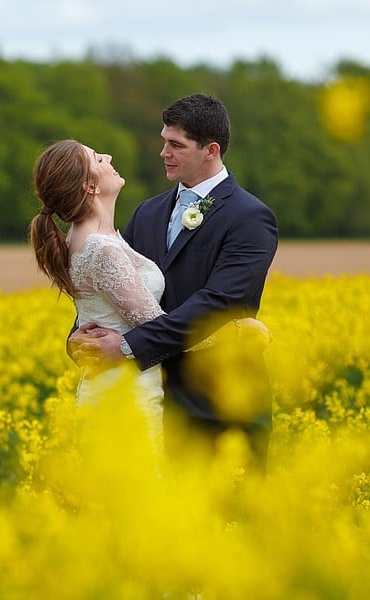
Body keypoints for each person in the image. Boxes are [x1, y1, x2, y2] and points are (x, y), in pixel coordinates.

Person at [68, 93, 278, 470]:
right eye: (164, 140)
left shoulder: (251, 218)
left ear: (210, 150)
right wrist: (81, 336)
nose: (163, 152)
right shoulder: (148, 212)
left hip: (217, 406)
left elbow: (217, 304)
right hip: (149, 401)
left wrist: (128, 347)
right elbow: (114, 286)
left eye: (176, 145)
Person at [29, 138, 269, 454]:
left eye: (175, 143)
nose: (108, 154)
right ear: (90, 186)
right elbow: (158, 326)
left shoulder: (98, 238)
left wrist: (83, 339)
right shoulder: (103, 248)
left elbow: (106, 310)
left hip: (131, 389)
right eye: (97, 158)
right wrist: (237, 331)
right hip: (125, 395)